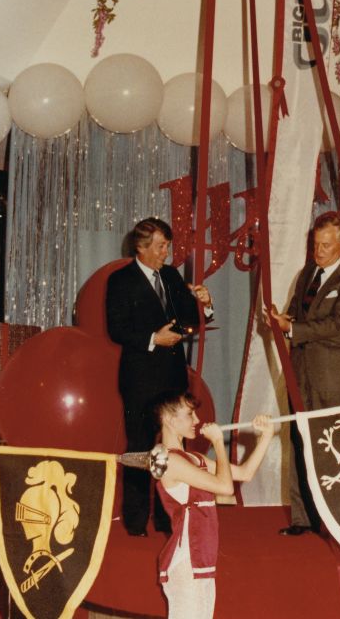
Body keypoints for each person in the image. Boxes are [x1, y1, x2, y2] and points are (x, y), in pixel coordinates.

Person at [106, 217, 213, 536]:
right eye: (161, 246)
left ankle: (169, 518)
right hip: (139, 379)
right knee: (140, 446)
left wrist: (205, 305)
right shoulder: (120, 280)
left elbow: (190, 319)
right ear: (141, 247)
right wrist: (154, 338)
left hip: (172, 378)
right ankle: (136, 522)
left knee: (172, 449)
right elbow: (117, 329)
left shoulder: (170, 276)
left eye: (167, 245)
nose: (167, 252)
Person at [266, 211, 340, 536]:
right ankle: (303, 518)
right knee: (298, 441)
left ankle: (335, 518)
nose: (319, 251)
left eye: (326, 245)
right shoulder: (308, 272)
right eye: (316, 244)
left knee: (332, 446)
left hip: (331, 375)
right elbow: (297, 313)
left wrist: (292, 328)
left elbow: (339, 325)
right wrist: (281, 319)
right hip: (300, 371)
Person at [152, 389, 274, 619]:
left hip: (203, 559)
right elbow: (225, 488)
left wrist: (265, 436)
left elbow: (245, 474)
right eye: (190, 415)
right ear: (168, 419)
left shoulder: (194, 458)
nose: (197, 421)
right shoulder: (169, 460)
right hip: (186, 560)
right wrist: (218, 442)